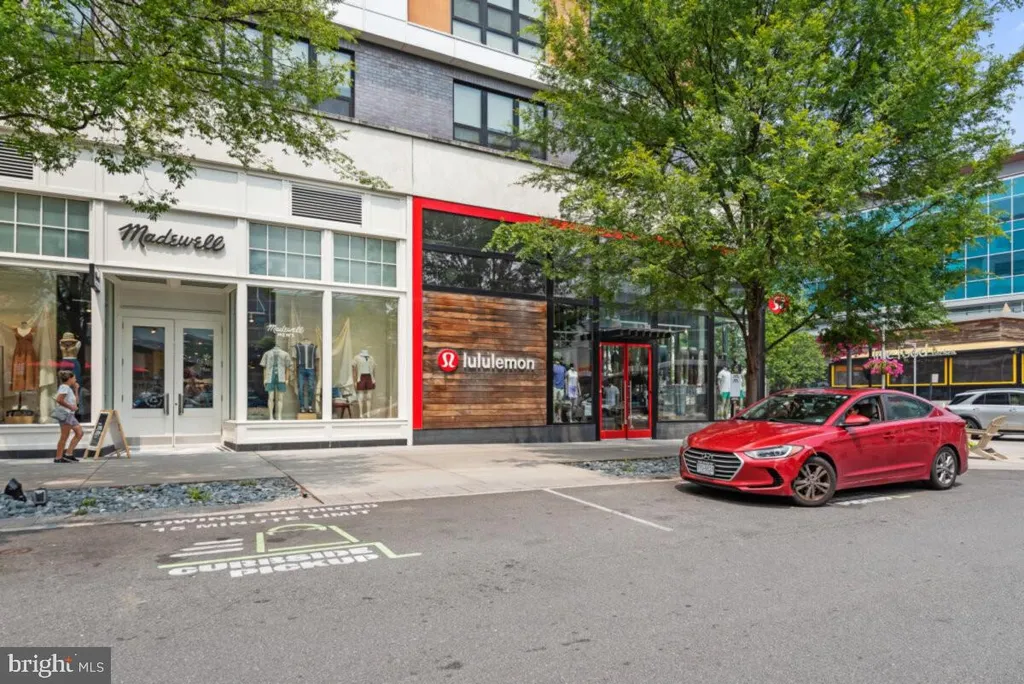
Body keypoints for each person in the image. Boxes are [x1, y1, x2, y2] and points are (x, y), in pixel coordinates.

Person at [53, 370, 83, 463]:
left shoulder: (68, 388)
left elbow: (76, 402)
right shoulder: (64, 387)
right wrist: (70, 407)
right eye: (74, 378)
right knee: (64, 436)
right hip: (66, 414)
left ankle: (69, 454)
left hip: (70, 415)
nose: (75, 379)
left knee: (79, 432)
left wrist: (76, 389)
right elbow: (59, 399)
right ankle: (58, 457)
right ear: (69, 379)